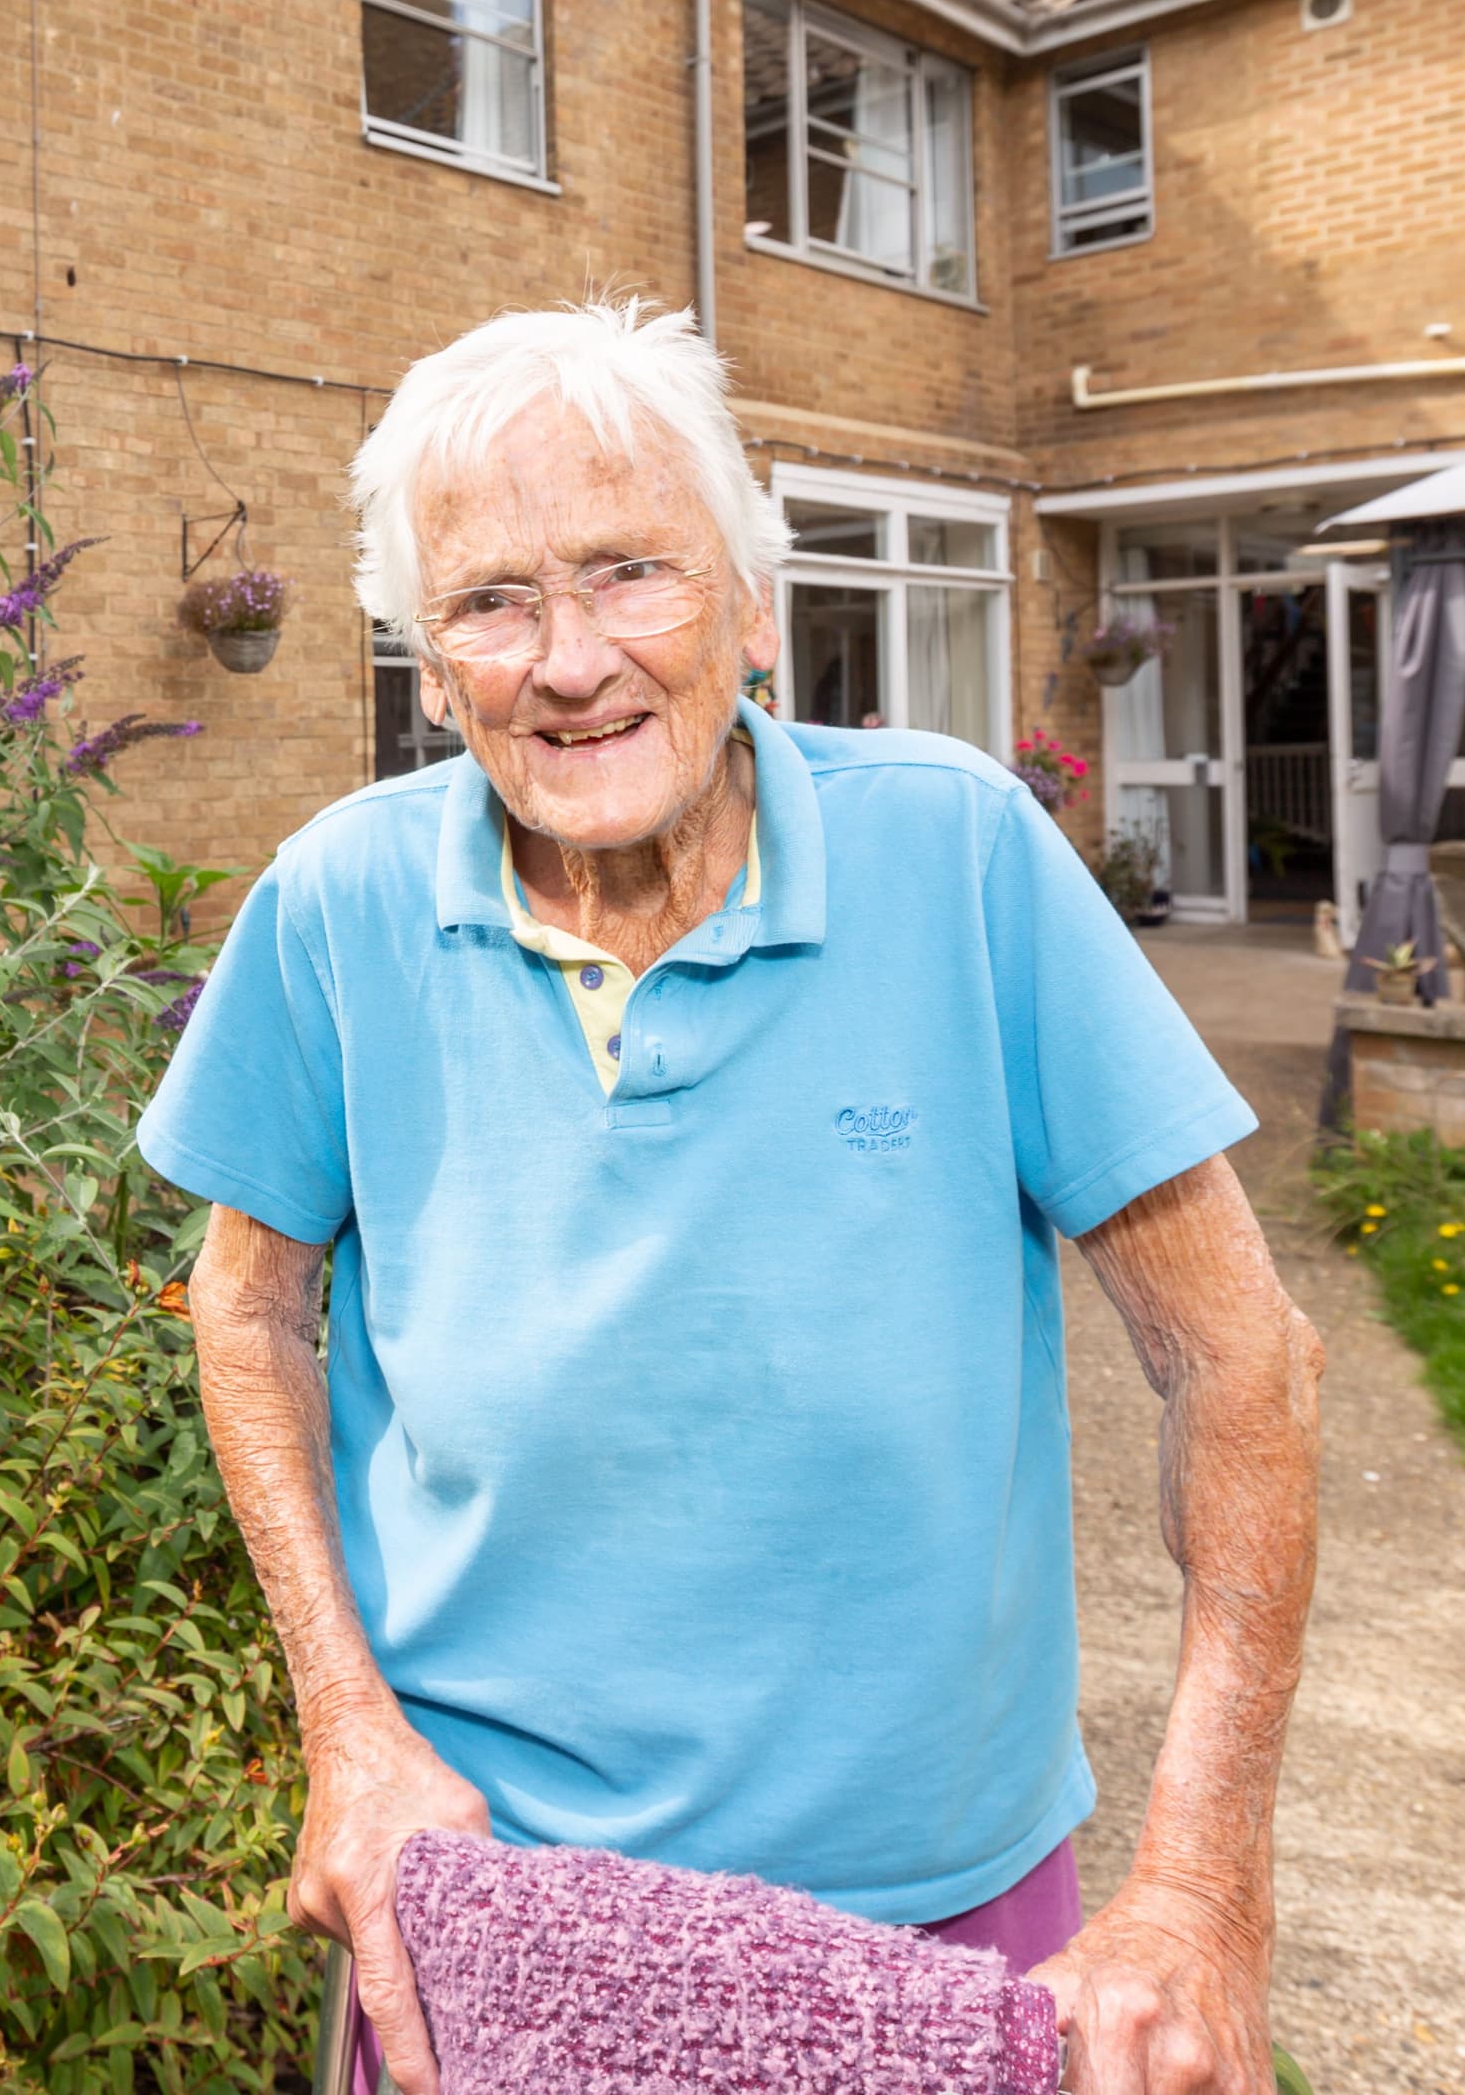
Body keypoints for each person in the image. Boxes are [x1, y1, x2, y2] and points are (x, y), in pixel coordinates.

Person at [137, 303, 1324, 2095]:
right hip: (493, 1919)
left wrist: (1200, 1887)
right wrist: (345, 1727)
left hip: (929, 1922)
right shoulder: (338, 902)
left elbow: (1245, 1365)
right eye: (490, 602)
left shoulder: (962, 853)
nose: (569, 659)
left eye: (632, 573)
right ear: (428, 659)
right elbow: (248, 1306)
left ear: (752, 603)